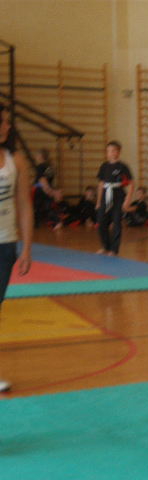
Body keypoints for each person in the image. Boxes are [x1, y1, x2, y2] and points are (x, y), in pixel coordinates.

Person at [0, 103, 33, 392]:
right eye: (3, 121)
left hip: (6, 243)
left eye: (8, 122)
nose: (7, 126)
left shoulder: (16, 160)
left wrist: (27, 248)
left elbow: (24, 204)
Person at [95, 141, 134, 256]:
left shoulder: (123, 167)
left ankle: (114, 249)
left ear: (118, 152)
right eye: (108, 151)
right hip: (106, 195)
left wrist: (127, 200)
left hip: (118, 195)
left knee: (116, 222)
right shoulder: (104, 166)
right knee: (101, 222)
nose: (110, 153)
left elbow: (131, 184)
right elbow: (101, 184)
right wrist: (98, 201)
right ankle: (105, 246)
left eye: (113, 151)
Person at [32, 148, 56, 227]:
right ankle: (55, 222)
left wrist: (47, 190)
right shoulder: (49, 167)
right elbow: (49, 179)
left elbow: (42, 180)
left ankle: (37, 224)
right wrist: (50, 190)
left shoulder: (40, 166)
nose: (35, 156)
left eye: (37, 155)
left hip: (41, 189)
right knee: (48, 207)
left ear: (41, 156)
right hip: (47, 189)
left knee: (37, 207)